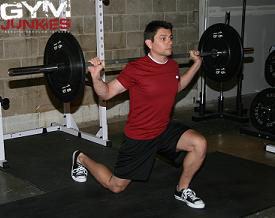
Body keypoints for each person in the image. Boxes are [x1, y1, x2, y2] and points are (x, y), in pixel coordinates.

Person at [71, 20, 207, 209]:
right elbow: (107, 93)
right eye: (163, 38)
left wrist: (196, 65)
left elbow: (177, 86)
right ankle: (81, 158)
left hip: (163, 128)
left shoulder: (172, 66)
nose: (170, 42)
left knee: (199, 143)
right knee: (116, 186)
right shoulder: (135, 69)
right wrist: (95, 77)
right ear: (149, 43)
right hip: (140, 135)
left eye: (170, 38)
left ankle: (182, 189)